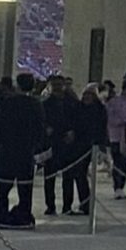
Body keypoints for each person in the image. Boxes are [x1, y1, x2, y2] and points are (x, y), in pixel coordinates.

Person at [0, 73, 46, 229]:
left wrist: (1, 142)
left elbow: (0, 125)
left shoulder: (9, 103)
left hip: (9, 149)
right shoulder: (36, 104)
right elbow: (39, 127)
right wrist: (36, 145)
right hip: (26, 150)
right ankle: (24, 213)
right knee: (25, 186)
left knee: (4, 186)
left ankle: (0, 213)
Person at [64, 83, 108, 215]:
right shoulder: (77, 108)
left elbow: (101, 129)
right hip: (76, 146)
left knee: (81, 175)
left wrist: (101, 146)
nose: (87, 97)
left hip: (89, 146)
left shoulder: (100, 110)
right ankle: (73, 204)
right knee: (74, 175)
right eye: (85, 94)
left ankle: (86, 203)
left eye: (90, 95)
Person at [41, 75, 77, 216]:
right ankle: (50, 206)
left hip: (68, 144)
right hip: (52, 144)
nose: (57, 86)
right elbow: (42, 122)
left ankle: (67, 206)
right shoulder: (45, 104)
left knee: (68, 178)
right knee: (49, 178)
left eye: (59, 84)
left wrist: (73, 132)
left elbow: (77, 120)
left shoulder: (72, 103)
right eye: (54, 84)